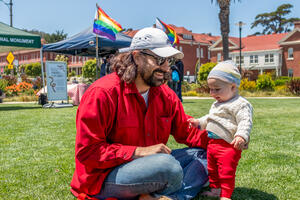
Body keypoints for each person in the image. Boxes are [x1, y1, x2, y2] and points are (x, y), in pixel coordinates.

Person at [70, 27, 209, 200]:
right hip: (103, 176)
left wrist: (221, 137)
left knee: (208, 156)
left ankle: (163, 198)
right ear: (136, 57)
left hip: (151, 165)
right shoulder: (102, 93)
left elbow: (186, 130)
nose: (166, 68)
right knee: (168, 167)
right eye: (159, 59)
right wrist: (137, 151)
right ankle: (167, 194)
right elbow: (88, 152)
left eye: (169, 60)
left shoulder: (165, 95)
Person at [188, 61, 253, 200]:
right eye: (210, 89)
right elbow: (210, 118)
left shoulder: (240, 104)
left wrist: (241, 136)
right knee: (213, 170)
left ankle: (225, 195)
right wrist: (198, 122)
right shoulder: (217, 104)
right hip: (212, 144)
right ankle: (215, 189)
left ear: (233, 87)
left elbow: (245, 121)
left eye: (217, 89)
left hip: (228, 145)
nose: (212, 93)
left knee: (226, 171)